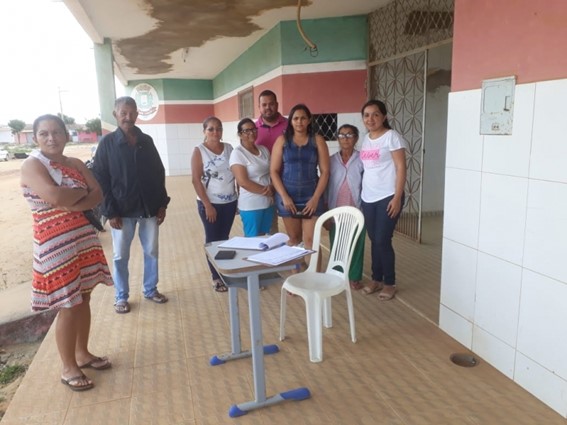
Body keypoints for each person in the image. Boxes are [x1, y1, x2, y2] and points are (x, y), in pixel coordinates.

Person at [21, 114, 114, 392]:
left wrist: (70, 199)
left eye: (57, 132)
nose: (51, 138)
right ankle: (68, 367)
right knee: (68, 302)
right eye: (44, 133)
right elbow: (54, 197)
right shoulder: (32, 165)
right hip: (55, 244)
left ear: (66, 134)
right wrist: (77, 196)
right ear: (36, 138)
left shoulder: (75, 163)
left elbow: (98, 193)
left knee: (84, 296)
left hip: (83, 239)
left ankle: (82, 354)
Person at [93, 96, 170, 314]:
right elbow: (100, 179)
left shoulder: (146, 141)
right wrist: (110, 211)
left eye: (131, 113)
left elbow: (159, 172)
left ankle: (150, 289)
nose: (128, 117)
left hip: (149, 208)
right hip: (121, 212)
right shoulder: (107, 144)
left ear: (137, 114)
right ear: (115, 115)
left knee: (152, 251)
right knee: (120, 256)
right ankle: (121, 296)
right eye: (123, 113)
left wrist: (162, 204)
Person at [359, 100, 407, 301]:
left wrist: (397, 197)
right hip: (368, 197)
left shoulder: (392, 137)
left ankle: (389, 283)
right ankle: (376, 279)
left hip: (388, 196)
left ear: (384, 116)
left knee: (382, 240)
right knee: (374, 239)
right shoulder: (366, 139)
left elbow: (401, 167)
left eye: (375, 114)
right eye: (366, 115)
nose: (370, 119)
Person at [270, 103, 330, 252]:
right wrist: (284, 196)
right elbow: (274, 171)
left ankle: (312, 269)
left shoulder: (318, 140)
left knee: (311, 243)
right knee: (294, 240)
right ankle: (299, 268)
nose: (299, 122)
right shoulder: (282, 141)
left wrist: (315, 198)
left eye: (303, 118)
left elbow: (325, 172)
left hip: (311, 196)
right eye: (295, 118)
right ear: (290, 121)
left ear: (309, 120)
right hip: (287, 197)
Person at [191, 116, 237, 292]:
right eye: (211, 129)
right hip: (210, 204)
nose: (215, 132)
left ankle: (224, 272)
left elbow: (236, 173)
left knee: (224, 238)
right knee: (212, 240)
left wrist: (238, 197)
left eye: (218, 128)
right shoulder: (199, 151)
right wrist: (208, 205)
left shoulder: (229, 148)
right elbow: (196, 180)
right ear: (204, 131)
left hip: (230, 202)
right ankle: (216, 277)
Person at [325, 124, 366, 290]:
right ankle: (337, 275)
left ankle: (354, 277)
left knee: (356, 244)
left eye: (349, 135)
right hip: (335, 210)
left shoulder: (362, 159)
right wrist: (326, 212)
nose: (345, 139)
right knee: (337, 244)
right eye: (342, 135)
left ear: (356, 138)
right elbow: (325, 185)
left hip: (357, 208)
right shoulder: (330, 160)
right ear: (337, 138)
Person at [229, 118, 275, 236]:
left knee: (265, 239)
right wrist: (267, 191)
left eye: (254, 129)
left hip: (268, 203)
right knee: (252, 241)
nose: (252, 133)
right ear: (240, 134)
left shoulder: (263, 150)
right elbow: (243, 182)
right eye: (247, 131)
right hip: (251, 205)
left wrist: (272, 187)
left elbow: (271, 173)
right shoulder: (237, 153)